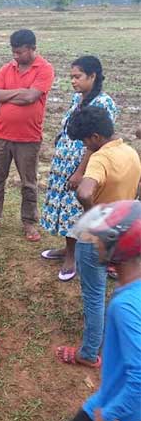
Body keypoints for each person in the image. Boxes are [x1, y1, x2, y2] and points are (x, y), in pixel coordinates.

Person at [55, 106, 141, 371]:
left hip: (97, 238)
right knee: (125, 290)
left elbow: (84, 192)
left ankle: (89, 353)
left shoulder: (100, 158)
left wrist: (96, 220)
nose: (85, 146)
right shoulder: (130, 152)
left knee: (94, 295)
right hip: (126, 232)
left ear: (95, 136)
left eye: (84, 141)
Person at [63, 200, 141, 421]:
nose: (95, 242)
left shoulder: (124, 305)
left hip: (115, 410)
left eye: (100, 238)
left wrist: (109, 414)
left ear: (118, 246)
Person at [40, 56, 118, 282]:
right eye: (71, 77)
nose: (73, 81)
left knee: (74, 209)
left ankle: (72, 257)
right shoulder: (78, 98)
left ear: (92, 76)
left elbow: (97, 141)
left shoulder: (104, 103)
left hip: (83, 165)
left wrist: (80, 171)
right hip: (63, 162)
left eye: (78, 76)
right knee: (62, 207)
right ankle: (67, 248)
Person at [0, 29, 55, 241]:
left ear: (32, 49)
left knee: (28, 183)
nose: (15, 56)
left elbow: (31, 97)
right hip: (1, 135)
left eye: (19, 52)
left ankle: (29, 222)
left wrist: (8, 95)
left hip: (29, 137)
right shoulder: (7, 68)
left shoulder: (45, 69)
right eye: (13, 52)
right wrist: (20, 93)